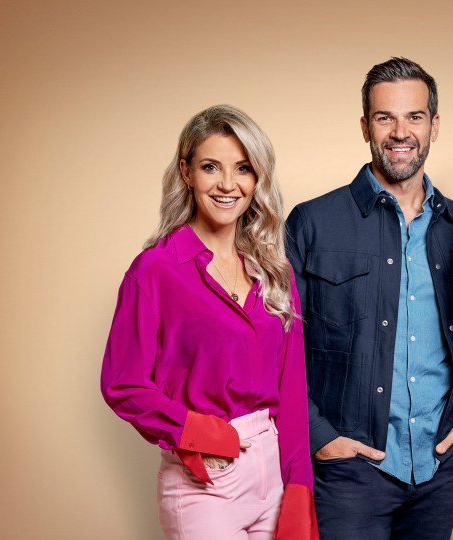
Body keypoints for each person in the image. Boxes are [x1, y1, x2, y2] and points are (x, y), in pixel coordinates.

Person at [285, 57, 453, 539]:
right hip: (347, 468)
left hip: (439, 468)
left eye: (414, 117)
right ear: (365, 126)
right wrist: (319, 438)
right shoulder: (312, 223)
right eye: (385, 118)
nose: (401, 132)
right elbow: (281, 345)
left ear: (434, 125)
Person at [101, 105, 317, 540]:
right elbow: (122, 382)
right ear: (186, 172)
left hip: (271, 472)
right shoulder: (156, 270)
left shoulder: (273, 271)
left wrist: (299, 488)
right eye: (210, 167)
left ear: (257, 180)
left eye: (243, 168)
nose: (227, 184)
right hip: (205, 479)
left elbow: (291, 390)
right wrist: (198, 432)